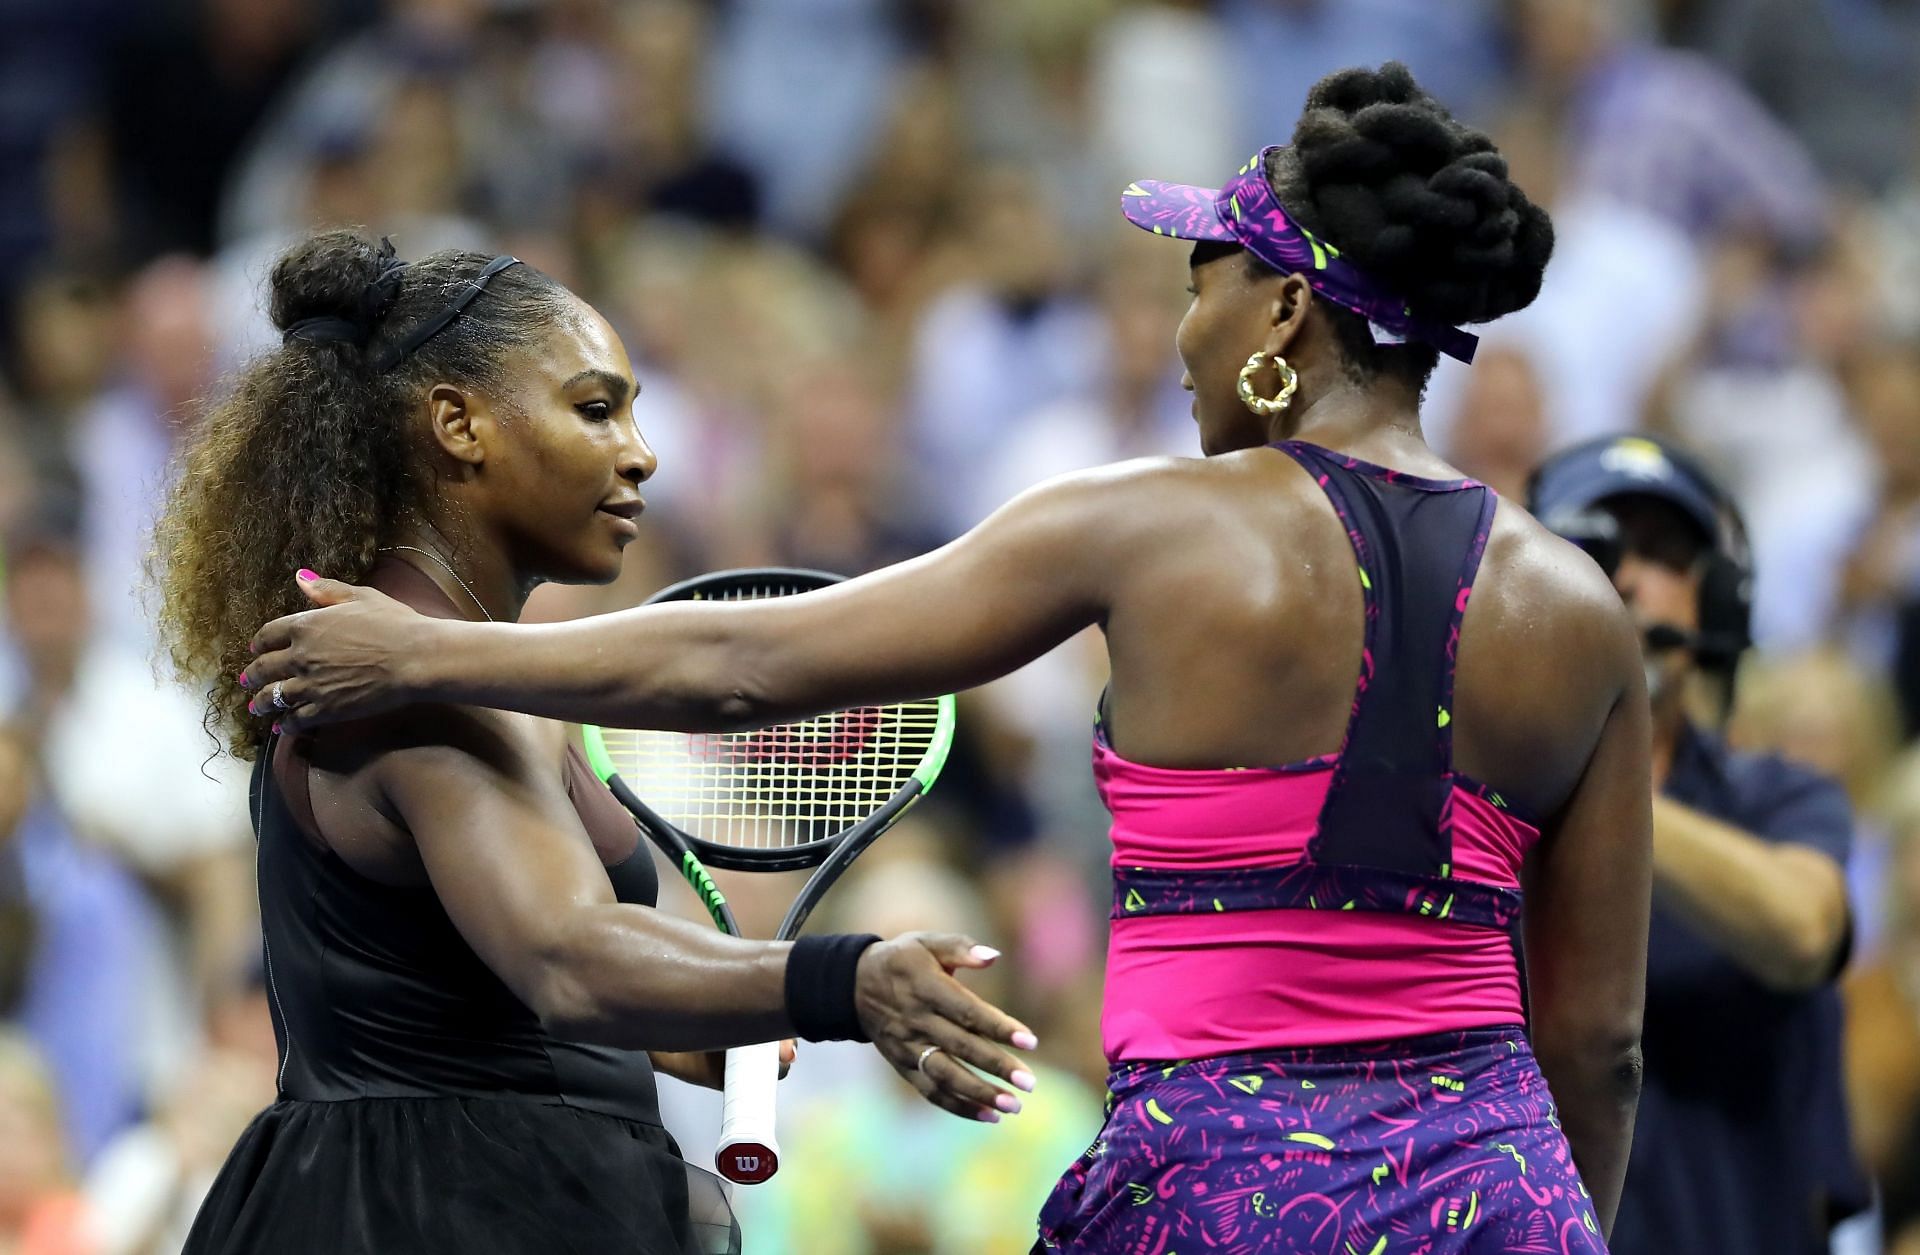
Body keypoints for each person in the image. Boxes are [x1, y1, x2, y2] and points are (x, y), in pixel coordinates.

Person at [244, 65, 1651, 1252]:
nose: (1183, 333)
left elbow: (741, 663)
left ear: (1285, 310)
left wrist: (436, 652)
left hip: (1222, 1180)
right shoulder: (1582, 609)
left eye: (1200, 277)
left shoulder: (1146, 523)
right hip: (1502, 1186)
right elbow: (1598, 1041)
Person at [151, 230, 1037, 1255]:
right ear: (459, 424)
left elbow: (442, 989)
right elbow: (566, 957)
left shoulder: (415, 659)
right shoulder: (426, 688)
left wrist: (657, 1029)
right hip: (456, 1216)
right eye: (595, 407)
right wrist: (845, 977)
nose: (641, 451)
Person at [1527, 433, 1869, 1255]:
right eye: (1596, 547)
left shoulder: (1777, 798)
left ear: (1718, 600)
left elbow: (1803, 932)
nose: (1631, 578)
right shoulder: (1477, 800)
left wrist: (1604, 784)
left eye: (1665, 553)